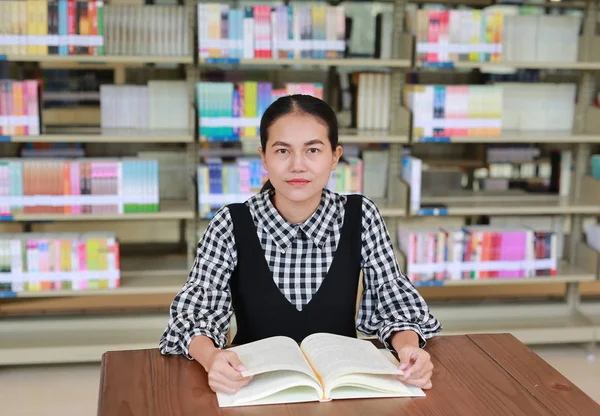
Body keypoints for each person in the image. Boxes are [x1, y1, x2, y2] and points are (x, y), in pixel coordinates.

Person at [159, 94, 442, 395]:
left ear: (334, 157)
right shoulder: (230, 223)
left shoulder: (361, 216)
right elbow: (193, 317)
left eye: (313, 150)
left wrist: (409, 349)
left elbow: (394, 304)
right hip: (253, 387)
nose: (297, 165)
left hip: (342, 389)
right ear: (264, 157)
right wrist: (212, 358)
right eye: (282, 150)